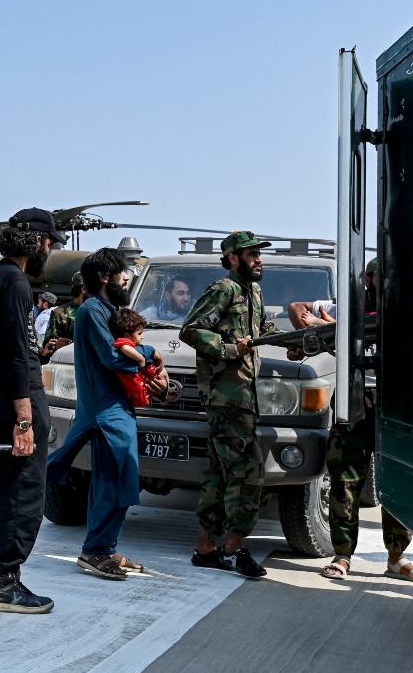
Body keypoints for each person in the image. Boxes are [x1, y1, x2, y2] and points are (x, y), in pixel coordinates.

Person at [284, 263, 413, 583]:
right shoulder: (351, 307)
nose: (389, 281)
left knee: (396, 482)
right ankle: (342, 556)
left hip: (394, 407)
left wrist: (332, 327)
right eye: (383, 276)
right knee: (346, 481)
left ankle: (396, 558)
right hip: (354, 401)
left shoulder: (403, 308)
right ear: (368, 280)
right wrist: (311, 332)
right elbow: (297, 308)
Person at [48, 247, 172, 582]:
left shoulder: (110, 309)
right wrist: (150, 353)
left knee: (117, 480)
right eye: (123, 271)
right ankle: (95, 551)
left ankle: (104, 546)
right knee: (113, 481)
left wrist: (151, 374)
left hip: (117, 409)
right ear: (105, 276)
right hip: (105, 411)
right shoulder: (91, 310)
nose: (128, 276)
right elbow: (114, 357)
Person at [0, 208, 64, 613]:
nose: (50, 251)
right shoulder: (16, 281)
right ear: (37, 241)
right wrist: (25, 419)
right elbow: (20, 354)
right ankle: (4, 584)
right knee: (22, 492)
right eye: (50, 243)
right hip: (14, 401)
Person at [179, 230, 279, 579]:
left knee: (220, 475)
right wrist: (229, 349)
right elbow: (190, 330)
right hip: (227, 398)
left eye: (258, 254)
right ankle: (234, 548)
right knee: (248, 475)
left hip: (244, 397)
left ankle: (206, 548)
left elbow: (262, 330)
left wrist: (290, 342)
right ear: (233, 258)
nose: (258, 259)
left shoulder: (254, 291)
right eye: (251, 254)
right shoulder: (224, 289)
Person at [108, 308, 163, 410]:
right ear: (128, 335)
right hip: (131, 380)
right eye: (139, 333)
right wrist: (140, 359)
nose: (142, 337)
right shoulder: (124, 342)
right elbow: (125, 348)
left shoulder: (133, 344)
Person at [39, 272, 85, 362]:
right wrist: (56, 345)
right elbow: (48, 346)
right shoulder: (60, 313)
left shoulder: (95, 311)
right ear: (83, 289)